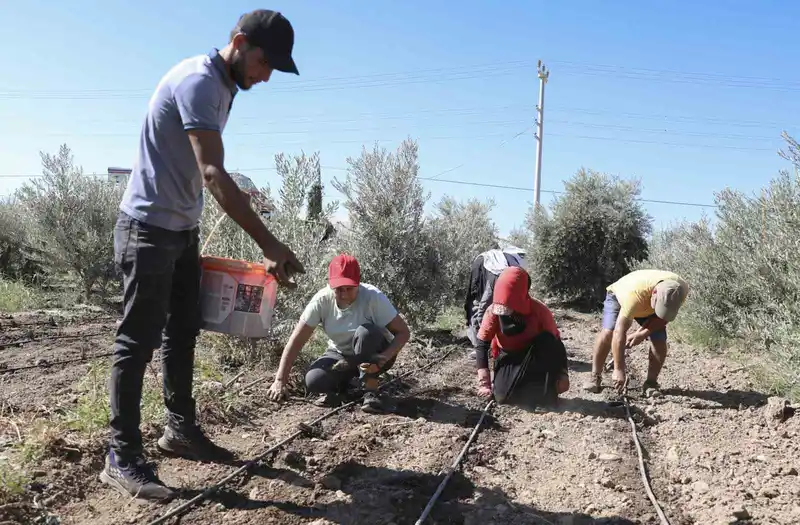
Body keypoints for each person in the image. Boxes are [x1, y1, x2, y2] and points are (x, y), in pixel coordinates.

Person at [102, 10, 304, 503]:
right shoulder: (198, 81)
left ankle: (179, 430)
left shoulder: (224, 86)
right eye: (264, 62)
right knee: (136, 343)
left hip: (180, 230)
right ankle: (120, 456)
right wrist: (268, 243)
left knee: (182, 330)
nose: (266, 75)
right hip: (147, 228)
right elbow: (212, 172)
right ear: (239, 42)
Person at [268, 254, 411, 414]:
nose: (343, 294)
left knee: (365, 333)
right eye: (338, 289)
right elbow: (296, 341)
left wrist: (386, 355)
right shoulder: (321, 301)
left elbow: (403, 333)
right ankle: (347, 386)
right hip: (342, 355)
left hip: (375, 352)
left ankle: (371, 390)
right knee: (314, 380)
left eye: (349, 289)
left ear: (358, 283)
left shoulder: (373, 297)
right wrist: (280, 380)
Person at [474, 266, 570, 405]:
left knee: (546, 340)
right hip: (508, 358)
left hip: (534, 358)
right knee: (503, 398)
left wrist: (563, 374)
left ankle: (544, 390)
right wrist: (484, 383)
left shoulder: (539, 311)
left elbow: (555, 344)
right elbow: (482, 344)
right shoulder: (492, 312)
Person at [584, 269, 689, 395]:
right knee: (608, 333)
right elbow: (619, 331)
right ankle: (595, 376)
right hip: (618, 297)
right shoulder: (634, 295)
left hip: (647, 305)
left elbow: (663, 318)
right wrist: (619, 369)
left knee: (659, 340)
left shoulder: (679, 291)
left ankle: (651, 383)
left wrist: (642, 334)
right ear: (654, 293)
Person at [464, 248, 523, 355]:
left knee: (484, 312)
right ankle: (488, 345)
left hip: (494, 283)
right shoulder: (508, 261)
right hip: (502, 282)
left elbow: (474, 294)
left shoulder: (483, 261)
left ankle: (485, 346)